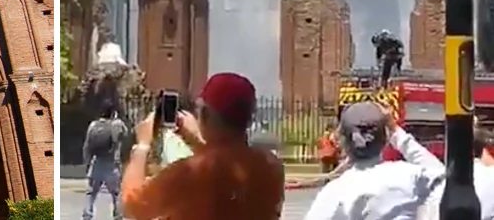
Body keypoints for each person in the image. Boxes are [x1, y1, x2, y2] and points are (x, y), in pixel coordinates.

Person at [120, 73, 285, 220]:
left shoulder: (188, 173)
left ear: (205, 115)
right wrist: (198, 142)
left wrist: (142, 146)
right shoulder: (272, 168)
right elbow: (223, 167)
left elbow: (134, 206)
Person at [304, 101, 445, 219]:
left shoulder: (334, 192)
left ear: (343, 142)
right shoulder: (408, 176)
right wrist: (396, 131)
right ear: (386, 139)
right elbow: (442, 174)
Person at [82, 101, 128, 220]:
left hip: (96, 163)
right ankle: (118, 216)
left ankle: (87, 216)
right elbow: (126, 134)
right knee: (116, 194)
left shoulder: (93, 125)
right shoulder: (116, 125)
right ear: (113, 113)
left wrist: (88, 164)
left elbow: (87, 147)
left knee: (91, 193)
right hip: (111, 165)